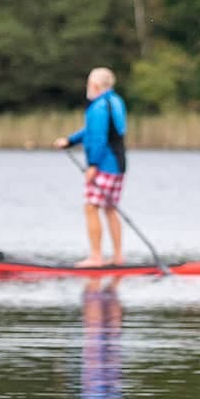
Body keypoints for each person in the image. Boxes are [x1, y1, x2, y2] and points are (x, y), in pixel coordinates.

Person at [54, 66, 129, 266]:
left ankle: (96, 257)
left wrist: (93, 165)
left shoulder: (98, 106)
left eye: (88, 83)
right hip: (119, 163)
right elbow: (94, 130)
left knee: (91, 207)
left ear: (94, 85)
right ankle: (118, 256)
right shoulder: (115, 101)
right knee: (110, 209)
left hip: (104, 164)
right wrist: (69, 141)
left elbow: (98, 137)